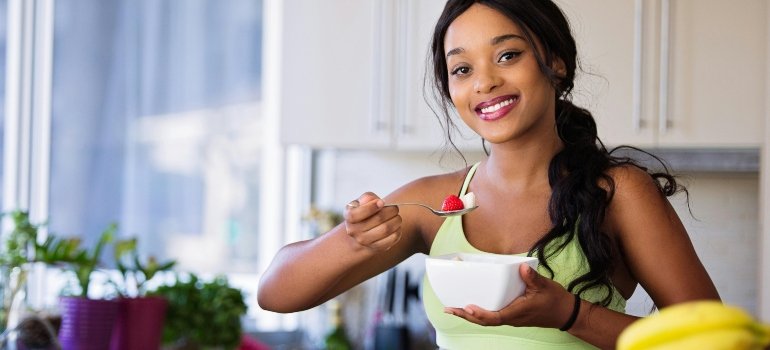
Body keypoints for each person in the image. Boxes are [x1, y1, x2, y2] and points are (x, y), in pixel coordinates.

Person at [257, 0, 720, 348]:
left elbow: (712, 340)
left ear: (555, 62)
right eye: (462, 68)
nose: (484, 82)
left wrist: (571, 314)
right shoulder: (437, 203)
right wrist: (351, 241)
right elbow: (276, 293)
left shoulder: (617, 193)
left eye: (507, 56)